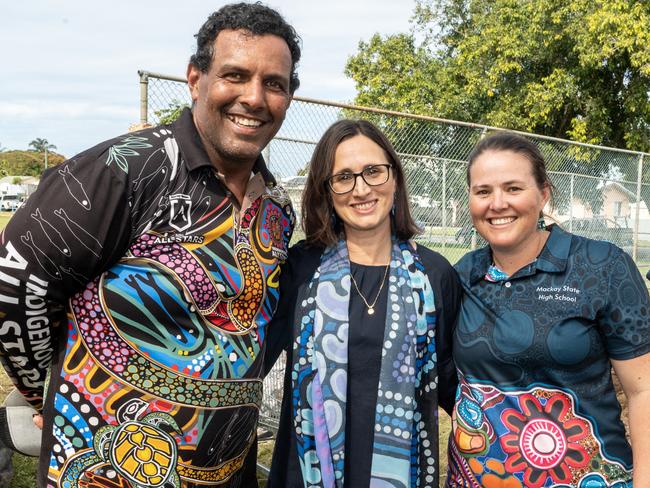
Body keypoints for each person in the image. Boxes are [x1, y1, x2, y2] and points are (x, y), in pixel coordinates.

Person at [0, 2, 300, 486]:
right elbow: (15, 279)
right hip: (109, 469)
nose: (254, 97)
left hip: (224, 470)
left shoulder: (279, 208)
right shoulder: (126, 169)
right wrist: (44, 393)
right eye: (235, 75)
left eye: (274, 83)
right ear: (195, 78)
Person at [265, 119, 462, 487]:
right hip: (308, 471)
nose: (361, 189)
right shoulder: (301, 268)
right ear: (326, 189)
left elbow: (454, 382)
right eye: (344, 177)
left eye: (373, 171)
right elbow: (250, 357)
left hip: (403, 470)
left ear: (395, 177)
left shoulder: (433, 275)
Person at [447, 132, 650, 487]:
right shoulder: (462, 275)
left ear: (543, 194)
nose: (497, 204)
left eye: (513, 188)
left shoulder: (601, 266)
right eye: (483, 192)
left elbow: (643, 389)